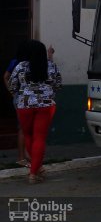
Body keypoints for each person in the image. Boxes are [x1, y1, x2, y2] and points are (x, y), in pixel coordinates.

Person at [8, 40, 61, 184]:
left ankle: (36, 168)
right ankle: (34, 172)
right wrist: (47, 94)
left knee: (29, 135)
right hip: (45, 105)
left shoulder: (20, 66)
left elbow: (12, 85)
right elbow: (58, 85)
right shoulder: (51, 66)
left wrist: (19, 96)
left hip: (24, 105)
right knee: (40, 137)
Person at [3, 42, 29, 167]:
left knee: (25, 128)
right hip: (20, 97)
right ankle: (21, 157)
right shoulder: (17, 63)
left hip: (22, 97)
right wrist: (12, 92)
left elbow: (6, 77)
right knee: (23, 128)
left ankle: (25, 154)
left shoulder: (23, 62)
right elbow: (5, 77)